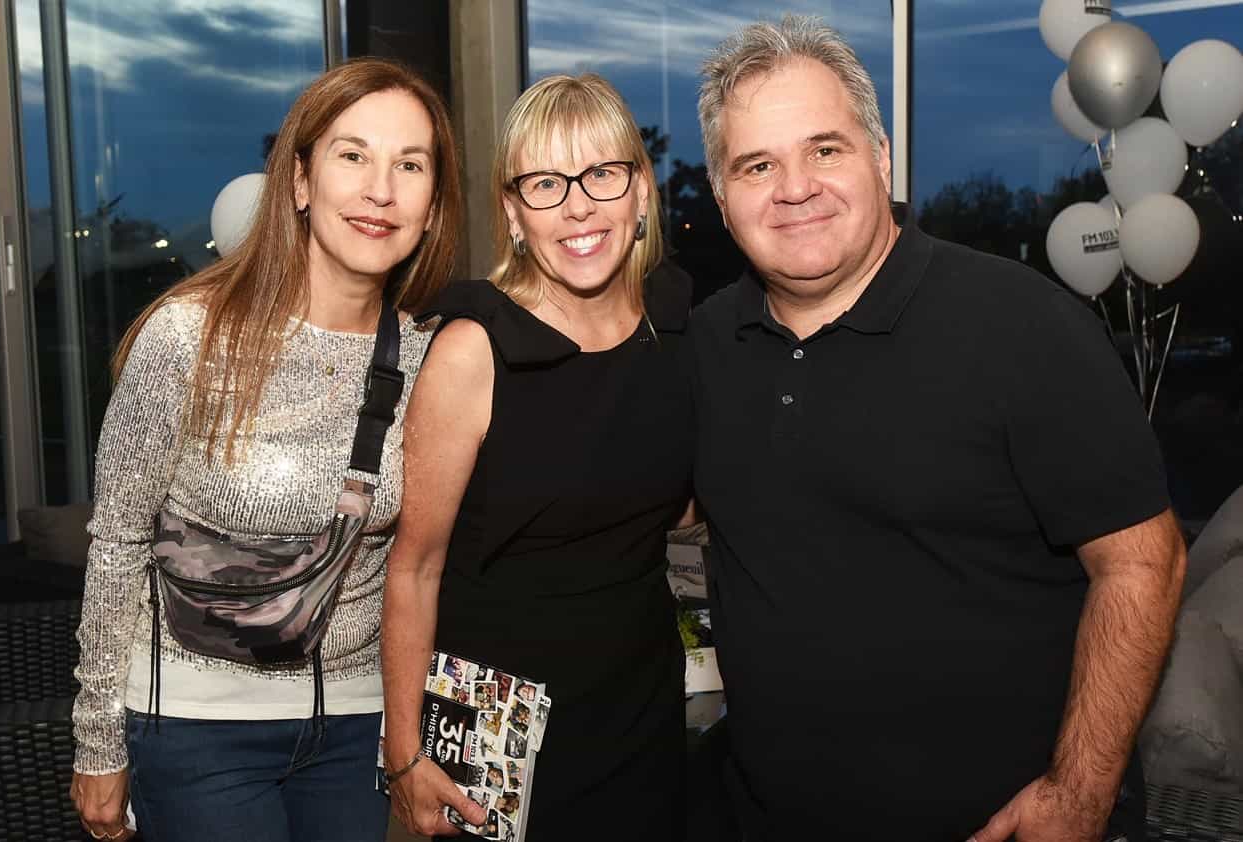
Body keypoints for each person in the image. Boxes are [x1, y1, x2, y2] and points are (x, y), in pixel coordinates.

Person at [690, 16, 1187, 842]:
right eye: (757, 164)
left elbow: (1144, 564)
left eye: (825, 149)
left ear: (881, 158)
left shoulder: (1024, 327)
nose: (795, 187)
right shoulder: (709, 343)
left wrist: (1078, 794)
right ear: (720, 193)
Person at [69, 58, 462, 842]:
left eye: (409, 165)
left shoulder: (432, 361)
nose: (380, 190)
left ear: (431, 207)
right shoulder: (189, 336)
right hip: (195, 727)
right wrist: (98, 741)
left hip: (359, 728)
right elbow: (116, 541)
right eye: (353, 155)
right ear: (301, 181)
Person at [380, 73, 693, 841]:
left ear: (640, 193)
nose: (578, 206)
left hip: (639, 713)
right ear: (515, 213)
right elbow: (414, 567)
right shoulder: (473, 349)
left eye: (602, 173)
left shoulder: (677, 328)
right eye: (547, 183)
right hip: (496, 727)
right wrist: (404, 754)